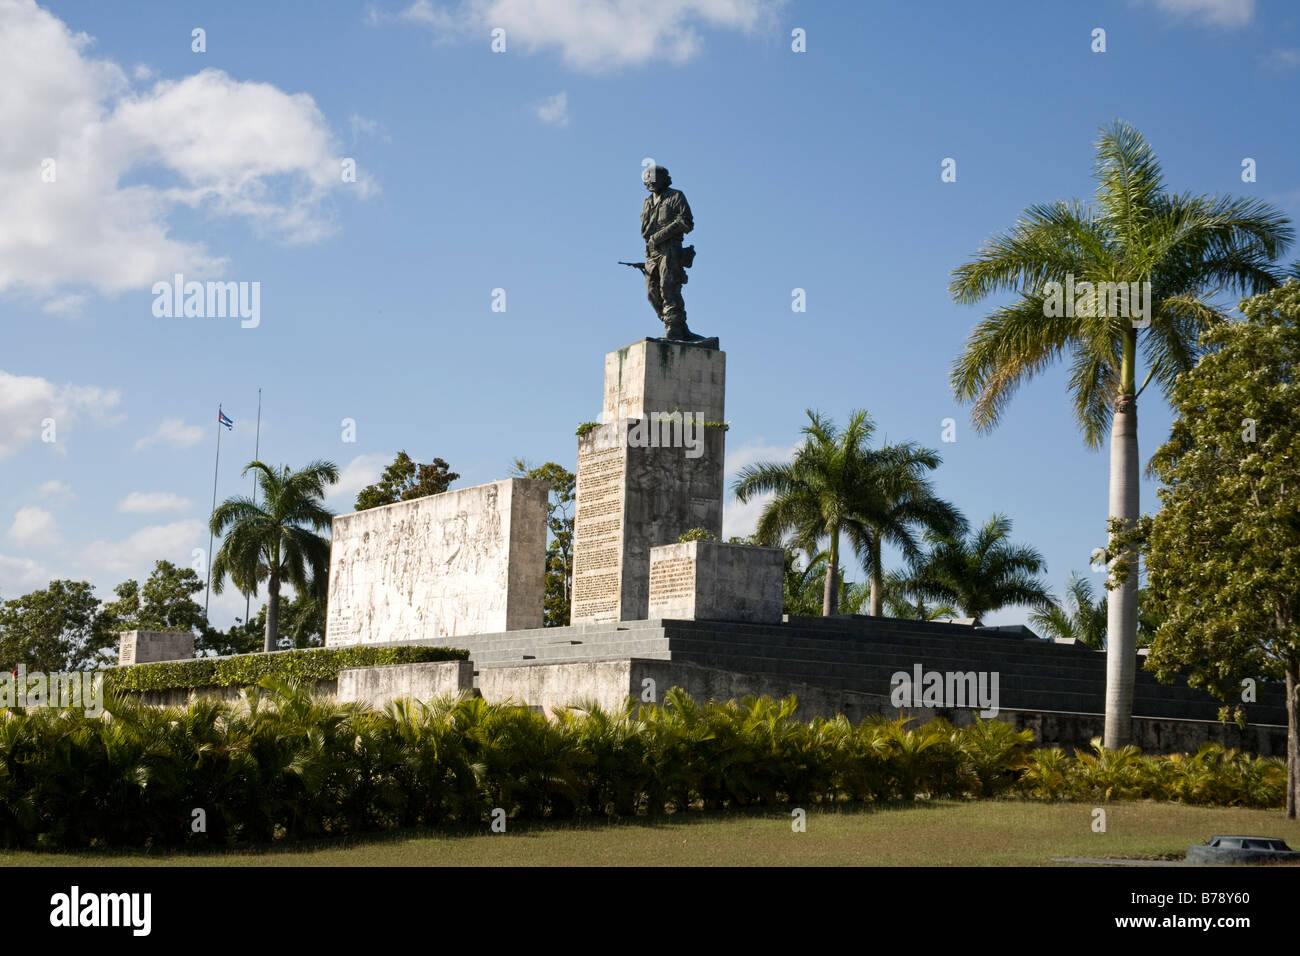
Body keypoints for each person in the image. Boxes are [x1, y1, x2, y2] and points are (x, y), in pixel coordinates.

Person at [640, 165, 702, 341]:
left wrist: (660, 236)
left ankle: (674, 328)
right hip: (652, 252)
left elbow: (686, 222)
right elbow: (645, 231)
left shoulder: (676, 196)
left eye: (652, 180)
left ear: (663, 179)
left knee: (669, 288)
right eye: (646, 182)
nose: (648, 184)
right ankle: (678, 326)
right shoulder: (647, 202)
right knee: (652, 293)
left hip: (670, 249)